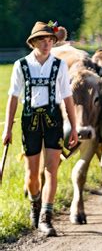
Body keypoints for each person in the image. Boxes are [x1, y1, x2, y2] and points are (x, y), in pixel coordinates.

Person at [2, 21, 78, 237]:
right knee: (32, 174)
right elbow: (13, 98)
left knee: (51, 170)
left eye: (49, 40)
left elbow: (67, 97)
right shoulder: (22, 65)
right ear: (33, 42)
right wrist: (7, 128)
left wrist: (72, 127)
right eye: (42, 41)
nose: (46, 44)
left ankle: (46, 217)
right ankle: (35, 203)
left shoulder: (59, 65)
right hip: (30, 120)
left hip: (54, 119)